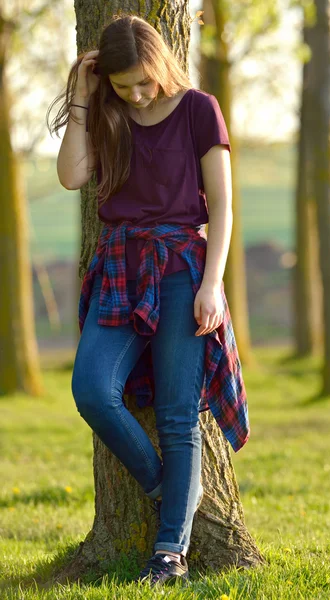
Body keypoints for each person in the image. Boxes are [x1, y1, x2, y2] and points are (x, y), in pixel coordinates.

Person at [47, 12, 250, 588]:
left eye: (143, 81)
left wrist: (212, 284)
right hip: (120, 267)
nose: (136, 93)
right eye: (122, 84)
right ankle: (169, 488)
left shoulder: (198, 109)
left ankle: (170, 551)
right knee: (92, 389)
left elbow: (224, 207)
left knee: (179, 416)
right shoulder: (109, 113)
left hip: (184, 268)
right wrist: (85, 98)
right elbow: (70, 177)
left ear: (161, 63)